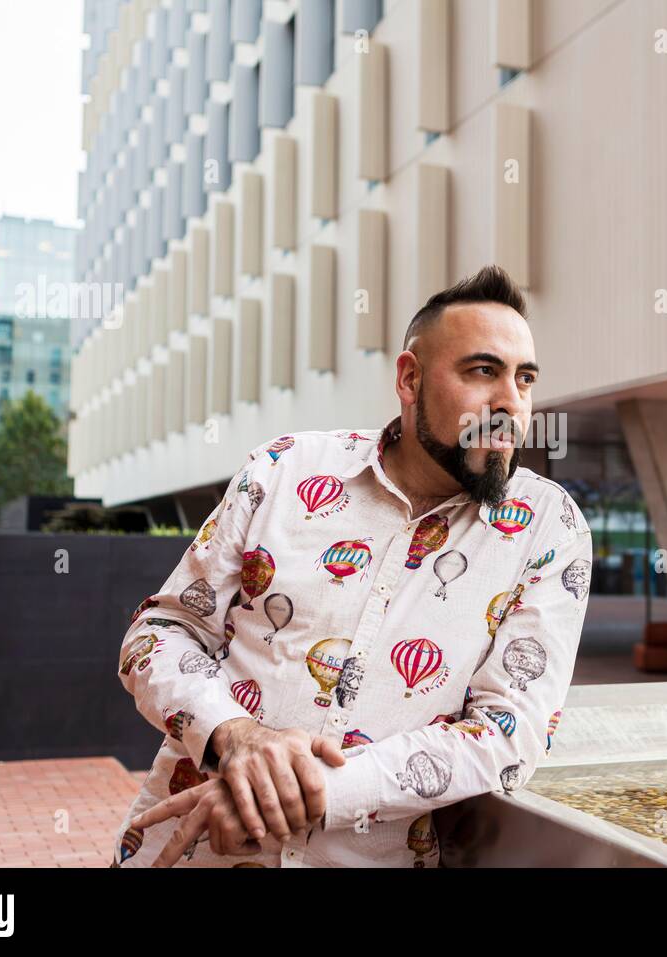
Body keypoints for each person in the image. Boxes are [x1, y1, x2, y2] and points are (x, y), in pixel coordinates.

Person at [110, 265, 593, 868]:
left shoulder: (549, 526)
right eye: (482, 371)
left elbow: (509, 729)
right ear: (410, 378)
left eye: (525, 380)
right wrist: (235, 736)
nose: (510, 404)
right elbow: (160, 633)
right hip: (188, 850)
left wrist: (301, 794)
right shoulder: (284, 470)